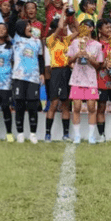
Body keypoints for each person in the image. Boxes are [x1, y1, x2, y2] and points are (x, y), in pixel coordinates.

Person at [67, 19, 104, 144]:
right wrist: (76, 55)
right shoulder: (75, 42)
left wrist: (89, 58)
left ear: (91, 29)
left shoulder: (97, 45)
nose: (84, 28)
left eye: (86, 26)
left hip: (91, 80)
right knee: (76, 107)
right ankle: (77, 136)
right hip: (77, 79)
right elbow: (68, 61)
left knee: (91, 107)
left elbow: (99, 65)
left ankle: (91, 136)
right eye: (82, 26)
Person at [12, 19, 44, 143]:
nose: (30, 27)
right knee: (19, 105)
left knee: (32, 105)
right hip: (19, 77)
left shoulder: (36, 41)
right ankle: (20, 134)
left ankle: (33, 134)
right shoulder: (16, 39)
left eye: (30, 25)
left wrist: (41, 73)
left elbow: (40, 58)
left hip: (33, 78)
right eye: (27, 25)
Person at [44, 8, 73, 142]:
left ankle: (66, 134)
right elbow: (60, 26)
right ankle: (47, 134)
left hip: (67, 71)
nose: (64, 28)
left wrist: (71, 17)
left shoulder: (66, 40)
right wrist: (63, 13)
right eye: (62, 26)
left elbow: (78, 31)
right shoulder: (50, 40)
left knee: (66, 104)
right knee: (54, 104)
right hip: (56, 72)